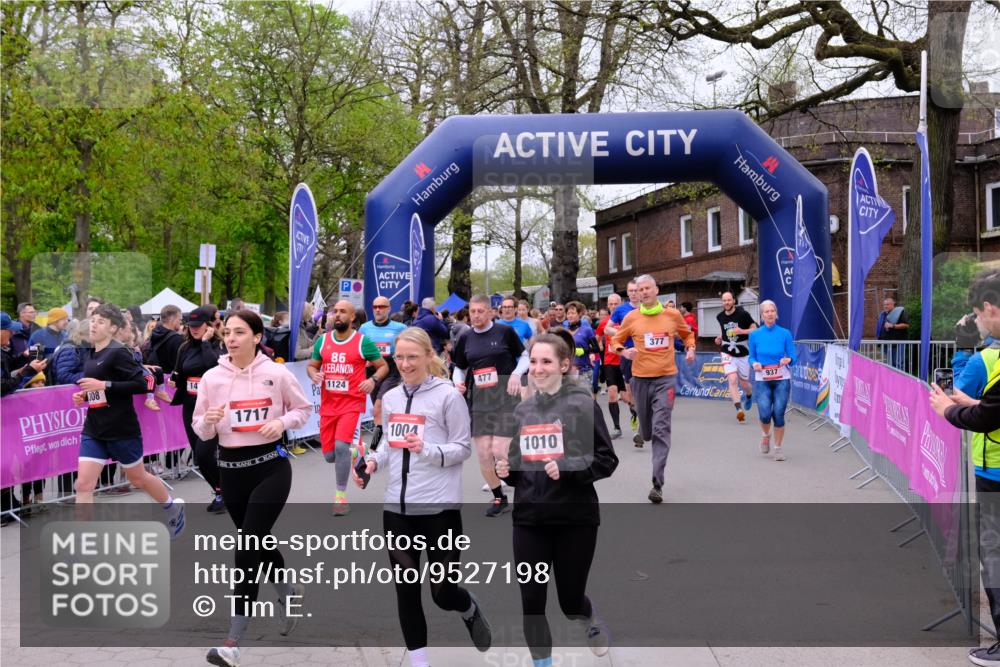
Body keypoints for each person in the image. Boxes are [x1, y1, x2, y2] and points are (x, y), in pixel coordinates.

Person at [355, 327, 492, 666]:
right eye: (399, 357)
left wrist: (427, 449)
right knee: (406, 590)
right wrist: (372, 461)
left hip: (439, 510)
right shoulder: (391, 397)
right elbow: (387, 441)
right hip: (397, 510)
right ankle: (420, 662)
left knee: (442, 593)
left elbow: (462, 448)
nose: (404, 364)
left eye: (412, 357)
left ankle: (467, 606)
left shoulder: (448, 396)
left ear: (429, 356)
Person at [192, 309, 311, 667]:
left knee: (246, 546)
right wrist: (209, 422)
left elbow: (303, 410)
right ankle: (288, 592)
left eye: (240, 332)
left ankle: (233, 641)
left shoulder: (276, 372)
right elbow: (200, 428)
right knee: (258, 540)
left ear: (257, 336)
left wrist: (282, 422)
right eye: (227, 331)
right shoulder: (212, 377)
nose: (231, 338)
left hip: (270, 468)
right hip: (232, 472)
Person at [495, 332, 619, 666]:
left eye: (546, 361)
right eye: (533, 361)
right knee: (532, 602)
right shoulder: (523, 409)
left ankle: (588, 617)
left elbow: (607, 460)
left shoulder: (581, 403)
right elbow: (519, 466)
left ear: (564, 365)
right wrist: (506, 470)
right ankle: (543, 663)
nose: (537, 368)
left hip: (574, 519)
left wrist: (567, 470)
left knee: (569, 601)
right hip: (529, 518)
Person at [926, 270, 1000, 667]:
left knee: (995, 555)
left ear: (989, 309)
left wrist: (951, 407)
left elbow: (963, 394)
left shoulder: (989, 359)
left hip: (994, 471)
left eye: (978, 315)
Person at [70, 304, 186, 529]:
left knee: (138, 478)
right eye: (93, 320)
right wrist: (86, 396)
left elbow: (143, 383)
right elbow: (102, 389)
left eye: (101, 322)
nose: (94, 324)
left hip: (121, 428)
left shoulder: (118, 352)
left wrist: (104, 384)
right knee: (83, 485)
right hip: (94, 428)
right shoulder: (93, 352)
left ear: (113, 328)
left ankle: (172, 507)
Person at [611, 275, 695, 503]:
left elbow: (687, 334)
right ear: (636, 293)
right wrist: (623, 351)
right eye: (640, 289)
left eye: (648, 288)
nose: (644, 292)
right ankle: (643, 430)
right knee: (647, 431)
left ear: (656, 290)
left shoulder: (672, 315)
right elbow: (615, 340)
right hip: (640, 380)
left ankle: (657, 483)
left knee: (661, 429)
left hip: (666, 379)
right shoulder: (631, 317)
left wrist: (690, 349)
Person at [307, 300, 388, 516]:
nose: (337, 315)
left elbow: (383, 366)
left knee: (341, 448)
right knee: (330, 456)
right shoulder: (322, 341)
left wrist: (372, 381)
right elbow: (311, 366)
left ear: (352, 317)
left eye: (343, 312)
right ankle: (358, 450)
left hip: (351, 403)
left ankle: (340, 497)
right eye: (335, 312)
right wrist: (314, 374)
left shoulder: (362, 342)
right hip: (328, 405)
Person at [452, 294, 527, 516]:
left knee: (500, 450)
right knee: (484, 453)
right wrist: (457, 383)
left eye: (480, 311)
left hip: (505, 398)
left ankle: (524, 490)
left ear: (490, 312)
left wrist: (515, 374)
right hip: (480, 402)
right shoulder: (466, 338)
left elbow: (524, 356)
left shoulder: (504, 332)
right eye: (472, 312)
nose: (475, 316)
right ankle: (499, 497)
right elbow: (460, 367)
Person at [170, 305, 226, 513]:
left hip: (213, 407)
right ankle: (220, 491)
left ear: (209, 326)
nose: (194, 329)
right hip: (191, 406)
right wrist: (175, 380)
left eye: (199, 325)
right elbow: (178, 373)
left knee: (205, 454)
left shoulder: (218, 344)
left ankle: (226, 490)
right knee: (198, 455)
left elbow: (216, 367)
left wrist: (205, 343)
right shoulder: (184, 348)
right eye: (191, 325)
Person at [747, 300, 796, 461]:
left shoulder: (785, 333)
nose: (769, 314)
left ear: (776, 314)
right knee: (765, 413)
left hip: (782, 377)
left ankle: (778, 448)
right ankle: (765, 434)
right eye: (766, 311)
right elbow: (751, 356)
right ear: (762, 315)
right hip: (762, 378)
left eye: (772, 311)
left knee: (779, 414)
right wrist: (754, 363)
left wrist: (787, 360)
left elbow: (793, 355)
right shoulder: (755, 334)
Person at [359, 296, 408, 450]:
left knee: (379, 407)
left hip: (392, 369)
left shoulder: (399, 328)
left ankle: (374, 447)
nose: (378, 310)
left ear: (388, 309)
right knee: (378, 412)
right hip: (373, 371)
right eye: (375, 307)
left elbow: (407, 346)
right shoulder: (365, 328)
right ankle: (386, 441)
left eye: (382, 306)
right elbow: (359, 350)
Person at [606, 281, 641, 443]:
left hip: (646, 354)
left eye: (636, 290)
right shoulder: (621, 310)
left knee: (644, 389)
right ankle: (632, 418)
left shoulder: (648, 308)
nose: (634, 293)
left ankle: (643, 423)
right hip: (626, 355)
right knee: (629, 391)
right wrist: (623, 332)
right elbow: (606, 330)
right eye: (631, 291)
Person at [714, 291, 756, 423]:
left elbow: (755, 329)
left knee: (745, 384)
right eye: (724, 300)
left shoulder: (743, 314)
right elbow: (723, 331)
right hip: (727, 351)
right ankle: (739, 410)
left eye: (729, 300)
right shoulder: (719, 316)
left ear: (733, 301)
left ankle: (749, 395)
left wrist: (742, 331)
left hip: (743, 352)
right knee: (732, 379)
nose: (726, 302)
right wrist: (720, 338)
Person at [595, 294, 625, 438]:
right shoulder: (604, 323)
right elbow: (597, 337)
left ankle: (637, 418)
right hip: (609, 362)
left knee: (626, 397)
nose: (613, 307)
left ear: (621, 304)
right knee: (612, 394)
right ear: (608, 305)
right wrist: (599, 344)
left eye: (616, 304)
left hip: (625, 362)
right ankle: (617, 428)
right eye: (611, 304)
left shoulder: (627, 320)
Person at [565, 301, 600, 397]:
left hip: (584, 369)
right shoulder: (564, 331)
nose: (570, 316)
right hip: (568, 370)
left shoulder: (587, 330)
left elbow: (597, 348)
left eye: (573, 313)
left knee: (585, 399)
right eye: (568, 313)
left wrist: (584, 351)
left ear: (579, 314)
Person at [875, 295, 909, 370]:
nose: (885, 306)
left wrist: (893, 326)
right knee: (890, 364)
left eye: (887, 304)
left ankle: (900, 380)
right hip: (886, 343)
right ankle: (892, 380)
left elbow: (906, 325)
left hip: (898, 342)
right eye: (884, 304)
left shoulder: (900, 312)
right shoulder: (882, 314)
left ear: (893, 304)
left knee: (899, 363)